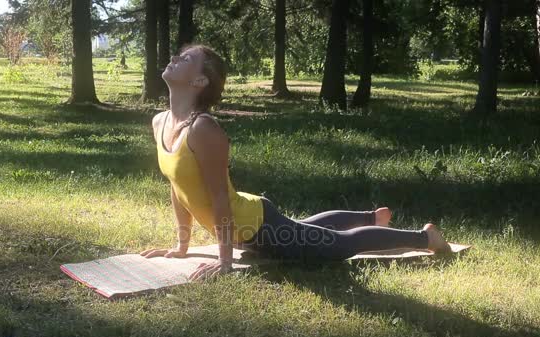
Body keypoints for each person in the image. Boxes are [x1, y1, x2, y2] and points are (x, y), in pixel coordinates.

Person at [139, 44, 451, 281]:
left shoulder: (203, 129)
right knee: (303, 230)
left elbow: (219, 197)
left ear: (199, 81)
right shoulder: (160, 122)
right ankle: (371, 217)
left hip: (260, 227)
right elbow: (179, 189)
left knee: (337, 247)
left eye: (187, 59)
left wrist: (225, 263)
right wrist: (181, 246)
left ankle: (426, 238)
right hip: (248, 226)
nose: (175, 58)